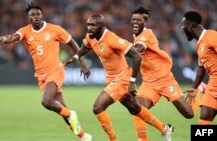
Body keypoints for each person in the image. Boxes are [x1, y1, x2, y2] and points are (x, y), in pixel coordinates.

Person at [65, 13, 173, 141]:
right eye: (88, 24)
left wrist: (132, 82)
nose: (89, 27)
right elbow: (85, 47)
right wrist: (76, 57)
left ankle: (113, 139)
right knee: (135, 109)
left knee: (97, 107)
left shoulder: (112, 39)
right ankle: (165, 129)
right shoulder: (91, 36)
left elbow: (137, 57)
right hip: (112, 78)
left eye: (93, 25)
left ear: (101, 26)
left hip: (123, 78)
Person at [0, 3, 92, 141]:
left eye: (38, 14)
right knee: (60, 107)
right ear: (28, 18)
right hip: (41, 75)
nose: (35, 17)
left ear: (42, 15)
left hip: (55, 70)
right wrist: (3, 39)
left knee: (46, 101)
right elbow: (13, 37)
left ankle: (71, 114)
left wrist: (82, 63)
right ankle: (83, 136)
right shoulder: (26, 31)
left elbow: (72, 43)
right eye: (32, 15)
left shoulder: (55, 29)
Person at [130, 6, 206, 141]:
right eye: (133, 20)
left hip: (165, 79)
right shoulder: (136, 34)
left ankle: (199, 88)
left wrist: (122, 50)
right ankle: (157, 133)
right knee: (137, 109)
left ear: (145, 22)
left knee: (189, 114)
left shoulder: (147, 35)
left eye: (138, 20)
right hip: (149, 82)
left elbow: (138, 49)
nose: (134, 22)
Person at [182, 11, 217, 124]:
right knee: (204, 118)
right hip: (213, 86)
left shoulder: (212, 35)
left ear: (191, 25)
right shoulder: (199, 44)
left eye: (184, 25)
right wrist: (194, 87)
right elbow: (201, 69)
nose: (183, 29)